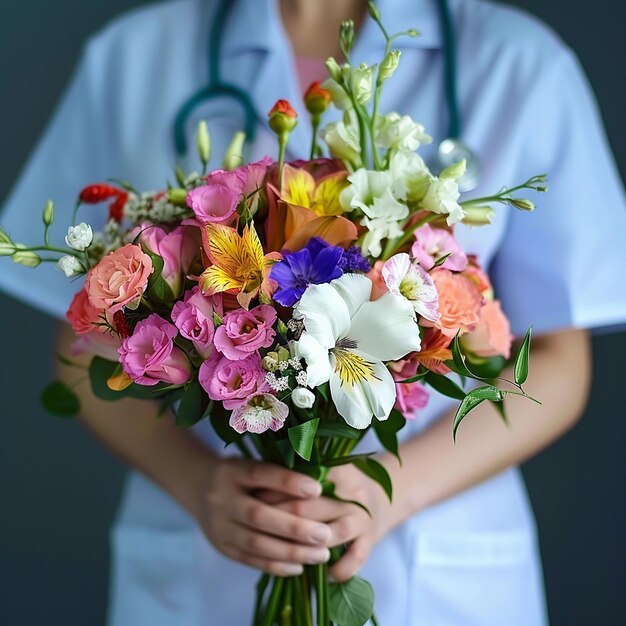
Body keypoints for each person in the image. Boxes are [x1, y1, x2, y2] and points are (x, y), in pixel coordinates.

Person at [1, 0, 625, 624]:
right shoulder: (133, 56)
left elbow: (558, 364)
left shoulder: (520, 62)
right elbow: (81, 345)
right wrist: (199, 485)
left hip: (436, 564)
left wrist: (392, 493)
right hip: (201, 556)